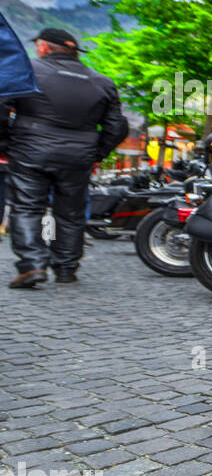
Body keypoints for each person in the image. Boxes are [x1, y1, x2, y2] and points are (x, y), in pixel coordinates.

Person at [5, 28, 127, 288]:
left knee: (27, 207)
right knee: (70, 213)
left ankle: (32, 265)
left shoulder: (27, 70)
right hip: (79, 155)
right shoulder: (102, 82)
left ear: (44, 47)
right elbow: (117, 127)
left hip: (30, 149)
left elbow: (1, 107)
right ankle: (66, 267)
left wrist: (6, 143)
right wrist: (97, 153)